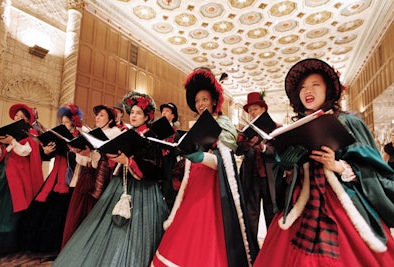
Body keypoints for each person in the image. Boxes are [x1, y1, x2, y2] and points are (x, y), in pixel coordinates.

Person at [254, 58, 394, 266]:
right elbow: (283, 175)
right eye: (302, 87)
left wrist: (337, 165)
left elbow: (371, 169)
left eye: (315, 85)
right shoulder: (294, 128)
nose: (307, 90)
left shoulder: (349, 122)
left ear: (328, 89)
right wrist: (288, 167)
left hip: (341, 201)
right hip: (301, 201)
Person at [151, 68, 259, 267]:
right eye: (198, 101)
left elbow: (228, 161)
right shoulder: (197, 124)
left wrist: (201, 157)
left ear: (214, 101)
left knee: (208, 238)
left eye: (205, 99)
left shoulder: (224, 123)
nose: (200, 104)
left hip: (215, 189)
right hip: (194, 184)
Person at [52, 91, 169, 267]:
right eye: (133, 112)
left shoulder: (151, 136)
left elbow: (154, 167)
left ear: (147, 116)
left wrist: (128, 161)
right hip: (119, 185)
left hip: (142, 191)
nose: (134, 116)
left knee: (135, 233)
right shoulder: (129, 134)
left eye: (138, 112)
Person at [18, 104, 83, 253]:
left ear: (74, 122)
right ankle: (34, 245)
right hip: (54, 177)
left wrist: (72, 150)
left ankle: (53, 247)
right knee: (37, 211)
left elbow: (81, 160)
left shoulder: (79, 136)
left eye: (66, 122)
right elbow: (48, 156)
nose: (64, 125)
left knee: (59, 214)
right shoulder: (59, 134)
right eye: (62, 122)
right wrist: (46, 151)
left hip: (70, 179)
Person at [61, 104, 121, 247]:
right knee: (78, 213)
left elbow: (107, 161)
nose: (97, 117)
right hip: (86, 175)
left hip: (102, 179)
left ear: (110, 120)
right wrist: (79, 152)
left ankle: (89, 247)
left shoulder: (115, 134)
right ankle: (74, 247)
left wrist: (92, 155)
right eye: (97, 115)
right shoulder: (92, 133)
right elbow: (84, 160)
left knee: (93, 213)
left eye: (102, 115)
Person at [0, 103, 44, 255]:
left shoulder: (30, 135)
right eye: (16, 116)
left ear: (27, 121)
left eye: (21, 117)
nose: (17, 118)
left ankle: (3, 245)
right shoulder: (9, 134)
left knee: (8, 210)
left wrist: (13, 142)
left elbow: (26, 151)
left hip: (16, 178)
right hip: (3, 172)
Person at [236, 92, 278, 239]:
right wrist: (246, 144)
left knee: (271, 215)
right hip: (250, 178)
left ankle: (271, 250)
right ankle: (252, 253)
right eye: (250, 111)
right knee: (250, 217)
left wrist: (264, 147)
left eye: (255, 109)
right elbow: (238, 151)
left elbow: (279, 153)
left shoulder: (275, 127)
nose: (252, 113)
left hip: (269, 178)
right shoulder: (245, 131)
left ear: (263, 109)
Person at [159, 102, 181, 210]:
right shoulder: (156, 130)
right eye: (163, 111)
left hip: (169, 167)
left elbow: (179, 151)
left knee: (168, 195)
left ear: (173, 116)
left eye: (167, 111)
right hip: (157, 165)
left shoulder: (176, 133)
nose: (163, 113)